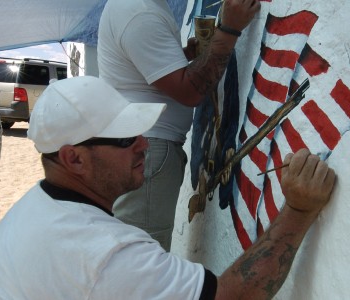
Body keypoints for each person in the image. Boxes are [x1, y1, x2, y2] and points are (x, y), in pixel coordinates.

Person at [0, 76, 336, 299]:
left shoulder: (31, 207)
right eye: (126, 138)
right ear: (74, 160)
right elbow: (235, 296)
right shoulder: (109, 255)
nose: (144, 144)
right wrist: (298, 210)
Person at [97, 0, 261, 251]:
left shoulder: (139, 8)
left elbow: (143, 72)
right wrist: (229, 28)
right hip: (149, 147)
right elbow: (189, 92)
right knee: (141, 257)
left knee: (135, 249)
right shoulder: (139, 12)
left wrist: (178, 58)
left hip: (146, 144)